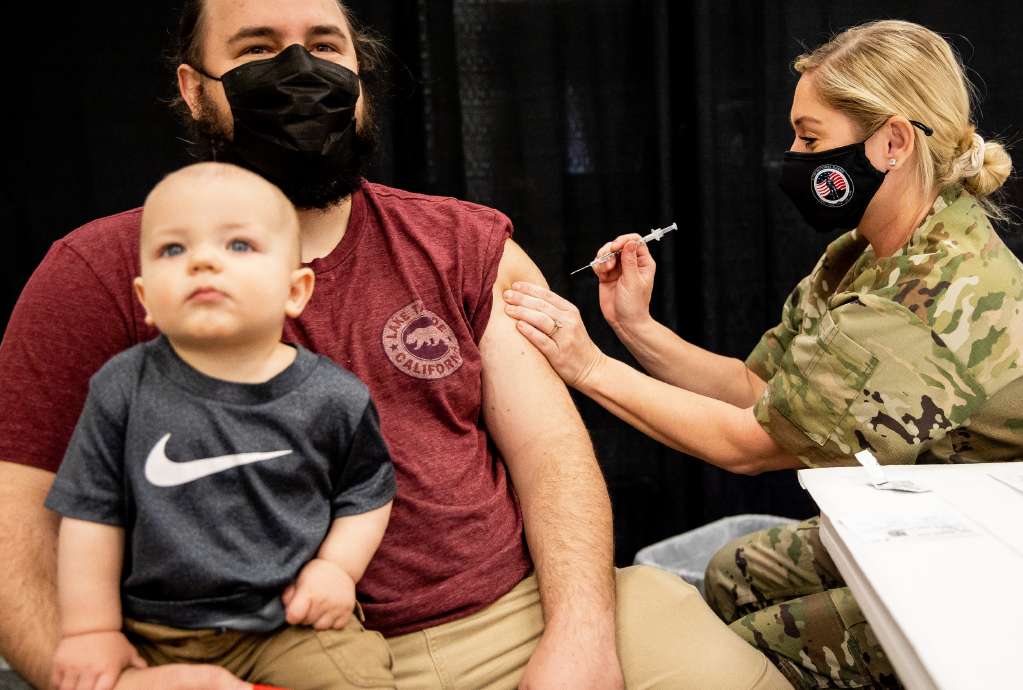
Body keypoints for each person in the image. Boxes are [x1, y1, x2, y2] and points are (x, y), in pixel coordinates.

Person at [0, 1, 790, 689]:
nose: (300, 69)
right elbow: (16, 521)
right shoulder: (101, 273)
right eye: (256, 49)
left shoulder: (463, 245)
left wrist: (580, 634)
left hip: (513, 612)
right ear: (192, 90)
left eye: (324, 43)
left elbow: (552, 456)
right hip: (263, 653)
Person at [502, 19, 1023, 689]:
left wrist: (587, 367)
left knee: (745, 653)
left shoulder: (924, 297)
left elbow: (747, 445)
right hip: (949, 511)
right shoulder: (861, 256)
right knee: (731, 572)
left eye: (810, 138)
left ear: (891, 141)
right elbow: (754, 387)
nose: (793, 157)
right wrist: (635, 326)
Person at [44, 163, 397, 690]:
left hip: (290, 622)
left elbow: (366, 492)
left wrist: (336, 569)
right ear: (145, 300)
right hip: (156, 630)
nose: (203, 262)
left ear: (295, 290)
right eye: (172, 250)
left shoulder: (334, 397)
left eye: (238, 246)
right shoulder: (122, 389)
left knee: (359, 678)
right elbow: (92, 517)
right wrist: (90, 630)